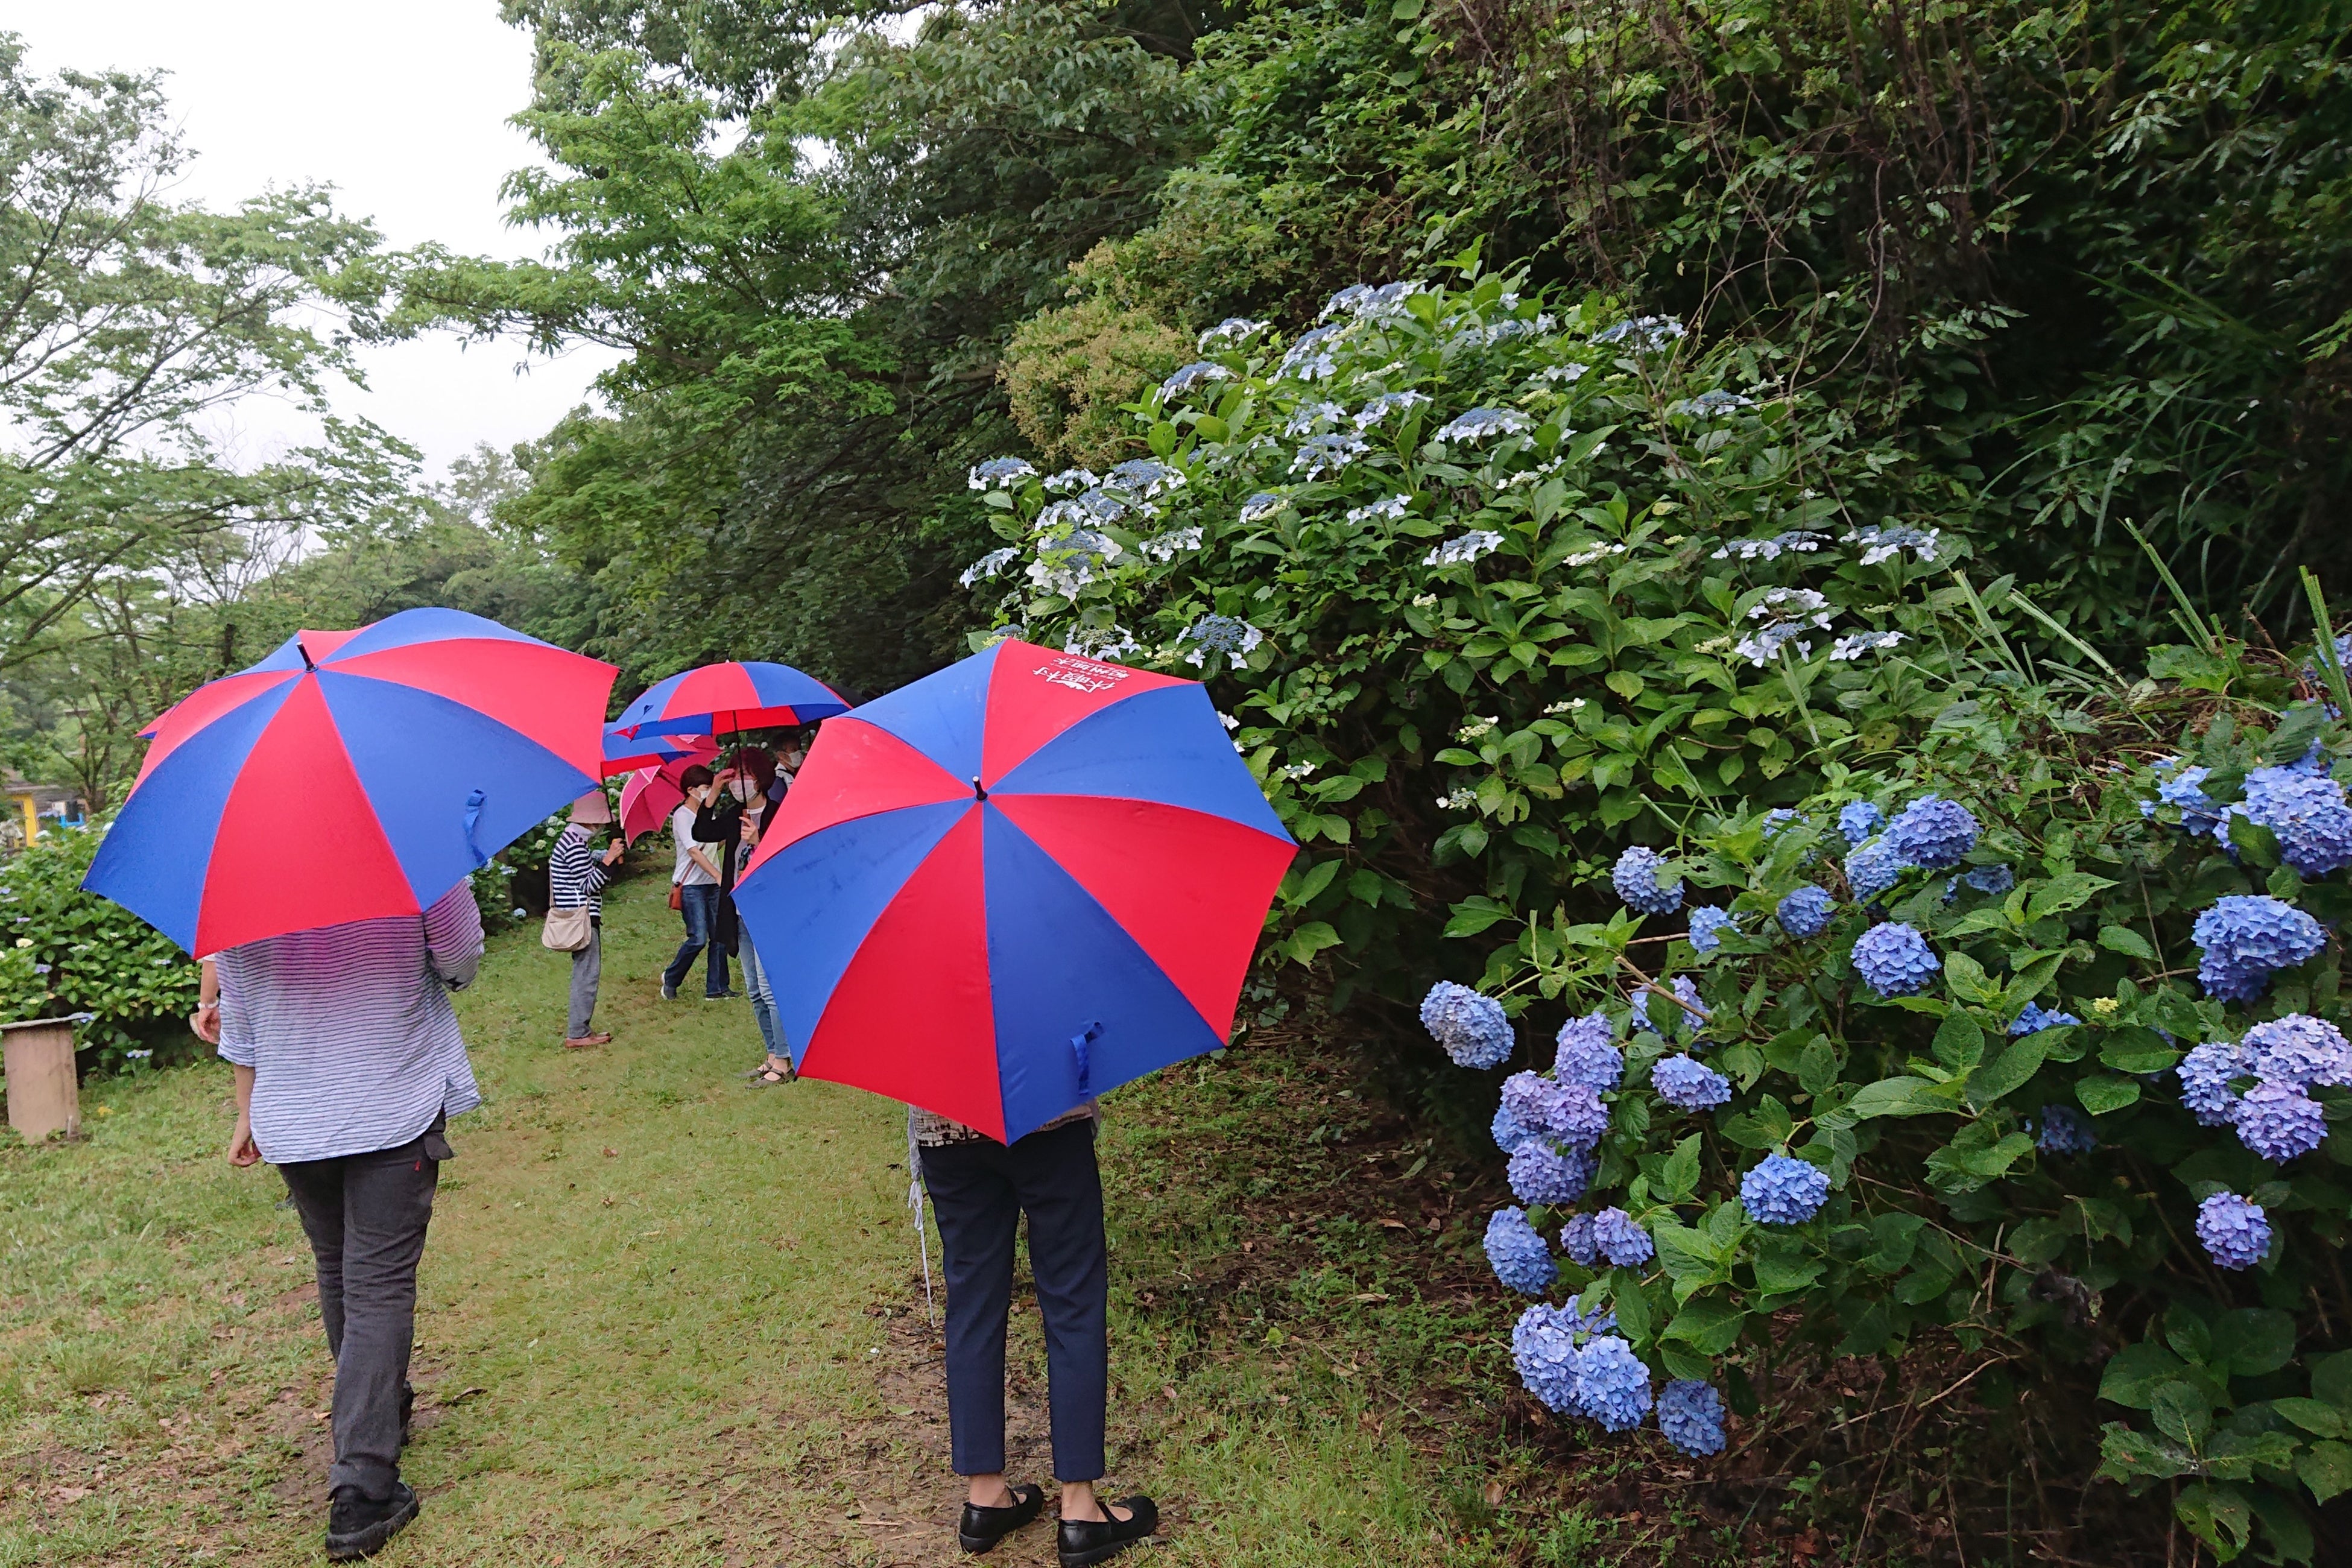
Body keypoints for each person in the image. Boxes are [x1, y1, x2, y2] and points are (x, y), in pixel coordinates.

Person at [189, 882, 485, 1561]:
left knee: (341, 1270)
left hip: (293, 1118)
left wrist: (246, 1113)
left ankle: (379, 1409)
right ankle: (364, 1489)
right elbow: (461, 963)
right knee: (377, 1285)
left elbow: (242, 1026)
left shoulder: (244, 875)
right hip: (387, 1104)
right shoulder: (415, 857)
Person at [914, 1102, 1159, 1564]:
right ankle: (1080, 1509)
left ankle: (985, 1497)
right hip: (1049, 1120)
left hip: (944, 1127)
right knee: (1073, 1305)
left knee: (971, 1308)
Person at [712, 745, 794, 1084]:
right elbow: (702, 832)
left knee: (769, 986)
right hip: (740, 912)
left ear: (760, 778)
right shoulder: (736, 815)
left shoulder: (779, 813)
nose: (737, 783)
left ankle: (785, 1061)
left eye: (743, 776)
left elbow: (784, 869)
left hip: (769, 911)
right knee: (753, 988)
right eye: (732, 777)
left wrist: (759, 841)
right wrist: (714, 791)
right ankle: (772, 1053)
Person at [550, 790, 625, 1048]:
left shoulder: (573, 841)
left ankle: (581, 1028)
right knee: (587, 975)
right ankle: (578, 1033)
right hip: (581, 919)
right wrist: (608, 859)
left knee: (585, 973)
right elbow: (589, 885)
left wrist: (608, 858)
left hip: (579, 916)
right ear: (591, 821)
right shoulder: (573, 845)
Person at [660, 764, 731, 1000]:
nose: (709, 791)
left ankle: (717, 988)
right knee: (698, 938)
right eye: (705, 788)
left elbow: (712, 844)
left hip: (712, 885)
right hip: (692, 885)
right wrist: (718, 875)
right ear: (691, 790)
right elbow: (694, 852)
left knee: (719, 936)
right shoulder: (682, 816)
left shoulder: (706, 813)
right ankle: (671, 978)